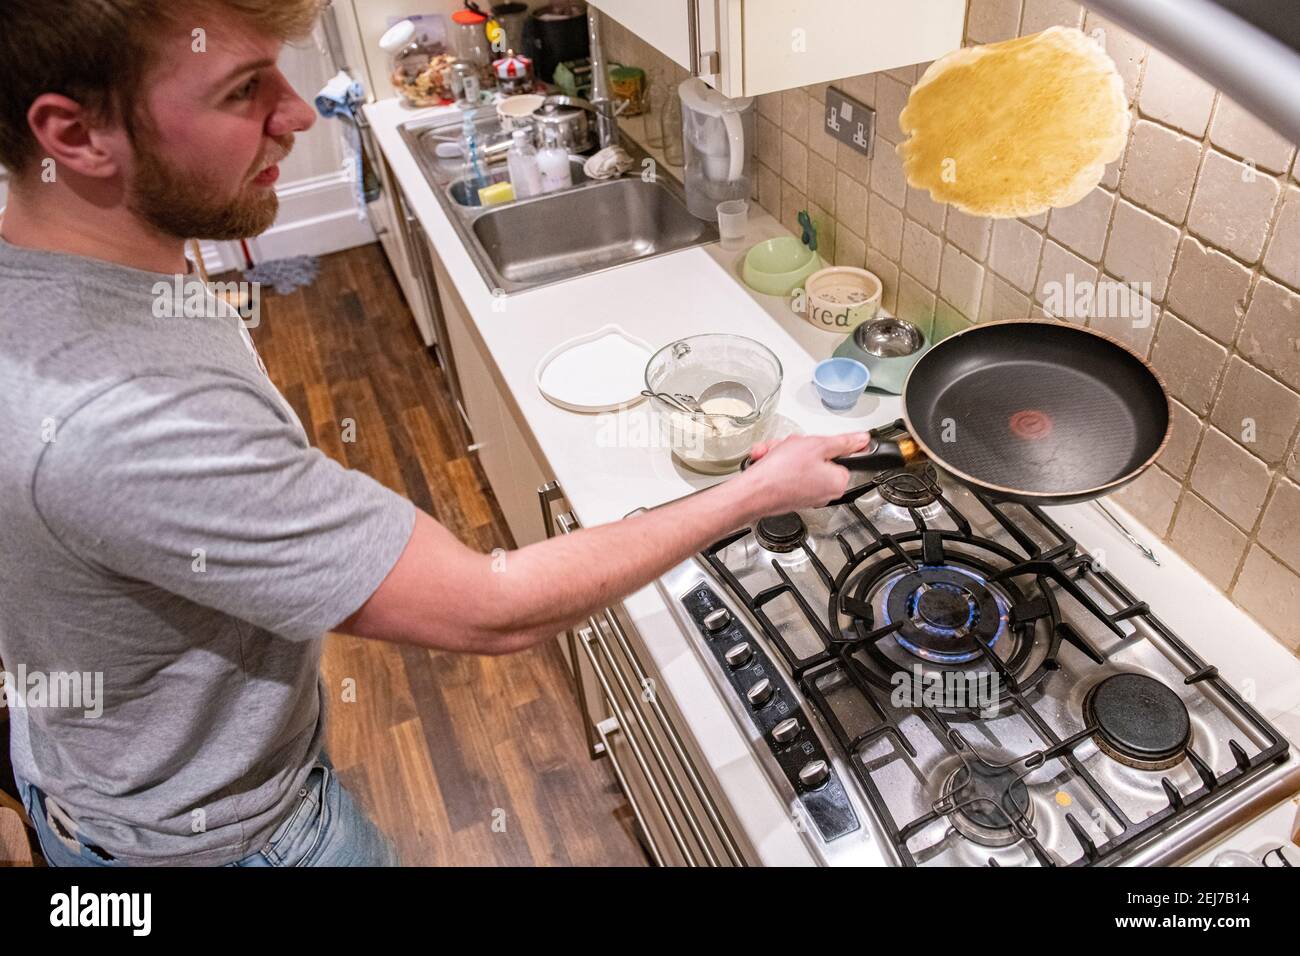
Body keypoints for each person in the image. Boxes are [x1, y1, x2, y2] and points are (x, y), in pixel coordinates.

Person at [0, 0, 869, 866]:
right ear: (76, 138)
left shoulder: (46, 284)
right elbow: (495, 610)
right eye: (240, 90)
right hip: (232, 844)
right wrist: (759, 488)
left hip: (89, 789)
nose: (298, 112)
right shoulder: (134, 417)